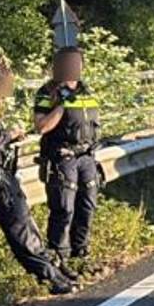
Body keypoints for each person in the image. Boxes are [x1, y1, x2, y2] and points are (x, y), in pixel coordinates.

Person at [0, 57, 75, 294]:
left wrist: (11, 137)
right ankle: (50, 276)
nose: (5, 95)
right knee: (19, 225)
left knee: (24, 222)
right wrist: (9, 136)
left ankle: (52, 271)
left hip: (0, 172)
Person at [35, 47, 100, 263]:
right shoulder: (47, 92)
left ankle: (80, 253)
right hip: (63, 158)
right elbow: (42, 126)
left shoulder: (87, 91)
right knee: (63, 210)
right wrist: (62, 104)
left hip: (87, 157)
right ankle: (59, 258)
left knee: (87, 207)